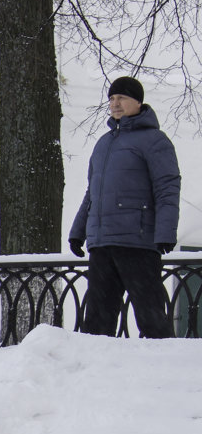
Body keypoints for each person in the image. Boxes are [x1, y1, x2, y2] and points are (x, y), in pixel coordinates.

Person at [69, 75, 180, 338]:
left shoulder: (155, 140)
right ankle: (96, 372)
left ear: (138, 102)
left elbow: (167, 188)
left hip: (137, 242)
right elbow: (92, 193)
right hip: (102, 242)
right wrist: (79, 231)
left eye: (122, 98)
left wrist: (165, 233)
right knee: (97, 322)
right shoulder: (104, 143)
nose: (115, 104)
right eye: (112, 99)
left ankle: (164, 369)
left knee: (151, 317)